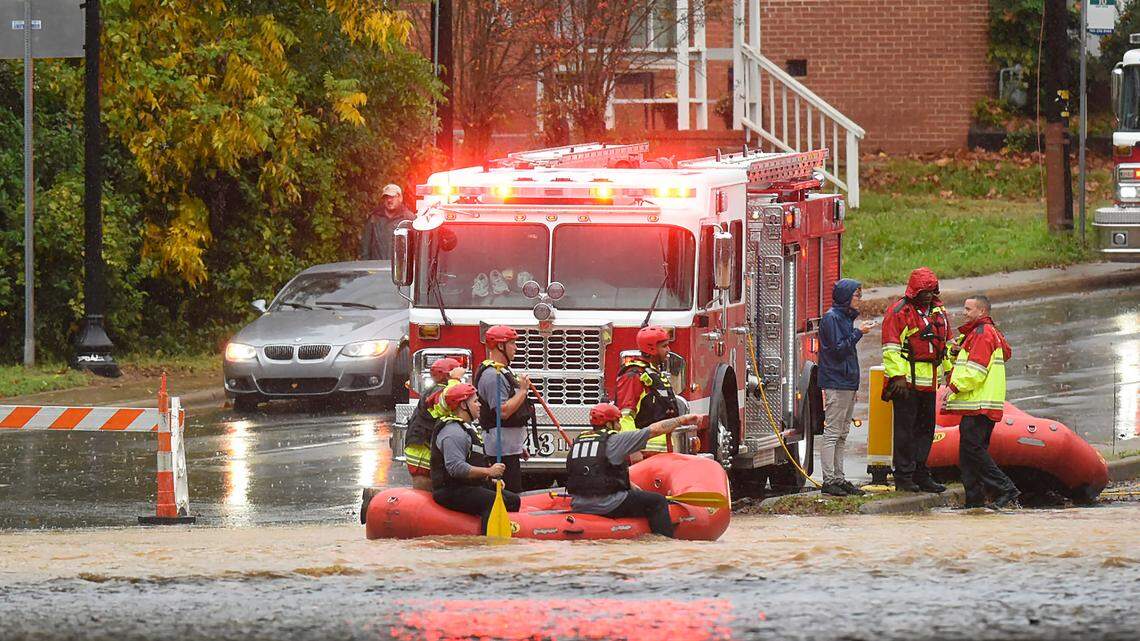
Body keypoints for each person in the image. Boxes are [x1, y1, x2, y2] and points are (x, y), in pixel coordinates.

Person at [565, 403, 702, 537]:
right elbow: (654, 430)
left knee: (640, 496)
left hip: (579, 504)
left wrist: (638, 491)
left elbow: (600, 475)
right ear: (609, 424)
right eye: (617, 422)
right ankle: (663, 543)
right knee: (658, 501)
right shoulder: (616, 440)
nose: (619, 426)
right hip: (608, 505)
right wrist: (683, 419)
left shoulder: (578, 442)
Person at [943, 295, 1021, 509]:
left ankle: (1005, 488)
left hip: (978, 404)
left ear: (982, 312)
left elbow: (975, 372)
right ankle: (974, 503)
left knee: (972, 450)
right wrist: (954, 353)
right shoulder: (981, 334)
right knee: (968, 457)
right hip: (983, 404)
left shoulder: (982, 334)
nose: (964, 312)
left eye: (969, 309)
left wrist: (953, 388)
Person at [881, 267, 952, 493]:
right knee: (905, 431)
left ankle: (921, 473)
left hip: (929, 382)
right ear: (914, 291)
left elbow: (946, 345)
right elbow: (891, 348)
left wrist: (950, 373)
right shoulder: (899, 312)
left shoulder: (938, 312)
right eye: (924, 292)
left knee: (926, 430)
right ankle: (903, 476)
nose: (929, 296)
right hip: (906, 384)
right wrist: (897, 376)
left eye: (932, 291)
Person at [431, 383, 521, 533]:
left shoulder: (467, 428)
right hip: (450, 490)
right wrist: (488, 472)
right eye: (475, 401)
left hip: (467, 486)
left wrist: (489, 480)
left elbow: (473, 460)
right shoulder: (452, 432)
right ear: (463, 405)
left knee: (513, 500)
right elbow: (456, 468)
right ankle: (488, 542)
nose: (479, 405)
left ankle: (513, 529)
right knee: (491, 500)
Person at [818, 279, 875, 497]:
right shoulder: (832, 318)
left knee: (842, 433)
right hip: (836, 381)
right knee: (833, 432)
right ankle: (829, 479)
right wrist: (859, 333)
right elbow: (838, 350)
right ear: (846, 297)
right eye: (856, 296)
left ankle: (839, 478)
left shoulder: (844, 318)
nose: (859, 300)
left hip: (846, 382)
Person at [474, 325, 535, 493]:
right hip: (500, 452)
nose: (516, 347)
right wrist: (523, 391)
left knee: (515, 491)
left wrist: (518, 446)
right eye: (512, 343)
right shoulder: (493, 376)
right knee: (510, 494)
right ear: (500, 346)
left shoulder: (503, 372)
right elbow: (503, 412)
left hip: (509, 449)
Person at [615, 325, 680, 458]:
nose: (668, 350)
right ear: (652, 349)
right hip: (644, 456)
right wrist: (632, 449)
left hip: (662, 454)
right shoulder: (634, 376)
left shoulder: (654, 375)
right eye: (664, 346)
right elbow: (625, 416)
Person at [403, 357, 466, 492]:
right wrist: (455, 380)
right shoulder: (439, 391)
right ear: (448, 375)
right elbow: (445, 403)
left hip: (425, 445)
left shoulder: (437, 389)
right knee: (424, 486)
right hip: (421, 449)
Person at [359, 183, 414, 260]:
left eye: (392, 197)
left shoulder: (408, 218)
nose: (389, 200)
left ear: (400, 198)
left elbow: (415, 247)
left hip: (400, 269)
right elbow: (365, 247)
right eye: (386, 197)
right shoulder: (374, 218)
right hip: (377, 268)